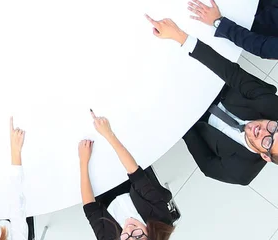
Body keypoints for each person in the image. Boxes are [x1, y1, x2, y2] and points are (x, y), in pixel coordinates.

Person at [145, 14, 278, 185]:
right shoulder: (272, 106)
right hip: (208, 84)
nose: (263, 131)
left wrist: (177, 115)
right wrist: (180, 36)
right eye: (274, 127)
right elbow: (232, 73)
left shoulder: (241, 173)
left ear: (265, 156)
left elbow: (207, 164)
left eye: (268, 141)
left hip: (188, 116)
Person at [79, 111, 175, 240]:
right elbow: (136, 174)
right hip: (129, 174)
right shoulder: (160, 218)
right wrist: (108, 134)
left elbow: (90, 208)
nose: (129, 229)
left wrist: (83, 161)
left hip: (101, 188)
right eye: (138, 235)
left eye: (126, 237)